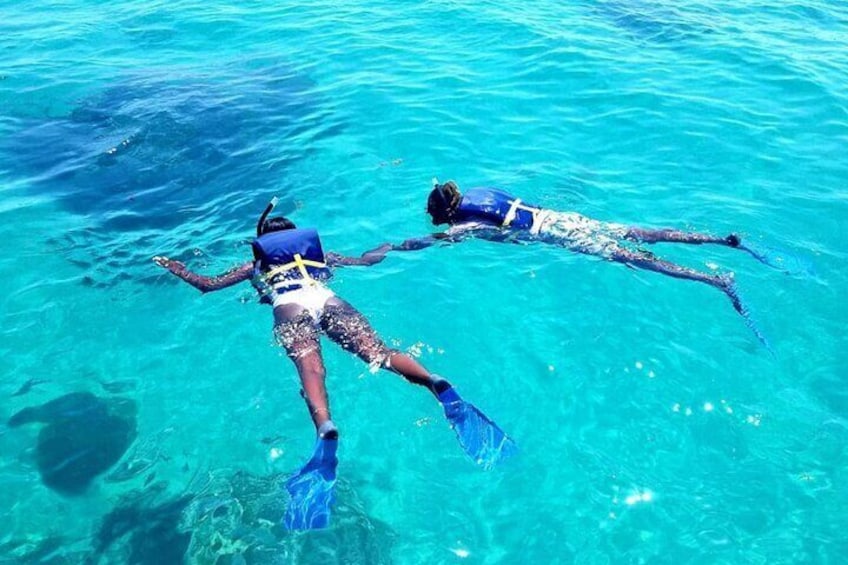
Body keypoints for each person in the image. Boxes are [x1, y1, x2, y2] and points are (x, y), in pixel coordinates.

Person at [153, 198, 515, 530]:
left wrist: (175, 267)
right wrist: (385, 246)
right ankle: (433, 380)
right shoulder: (319, 256)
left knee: (312, 370)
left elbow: (207, 285)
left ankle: (325, 426)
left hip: (289, 307)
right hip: (328, 300)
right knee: (380, 352)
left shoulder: (255, 265)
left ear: (266, 243)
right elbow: (367, 261)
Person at [375, 180, 771, 345]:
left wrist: (396, 248)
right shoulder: (481, 190)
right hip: (563, 218)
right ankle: (722, 240)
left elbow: (436, 241)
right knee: (641, 233)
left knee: (633, 259)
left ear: (446, 212)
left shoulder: (467, 222)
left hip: (559, 235)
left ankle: (715, 281)